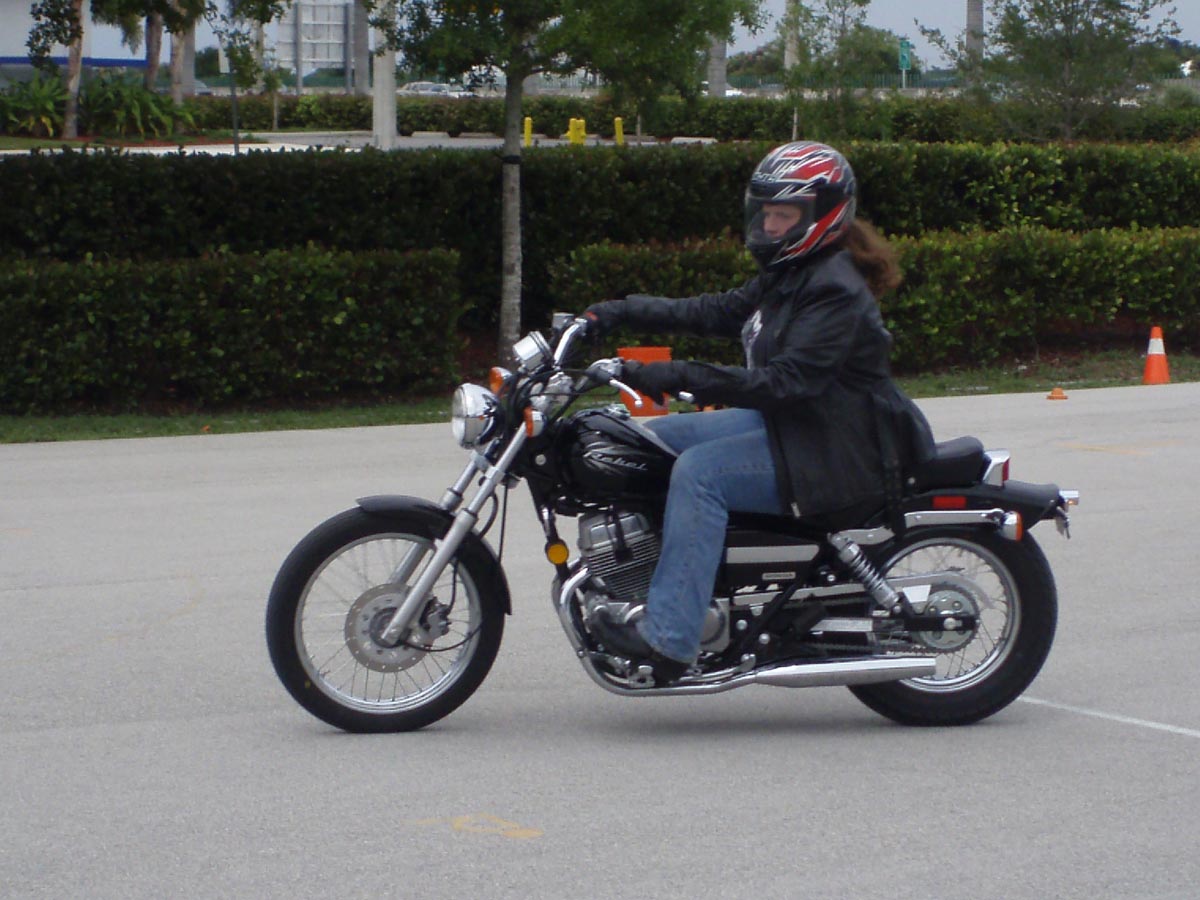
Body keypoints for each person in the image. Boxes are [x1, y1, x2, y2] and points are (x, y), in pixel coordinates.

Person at [581, 141, 935, 686]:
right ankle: (675, 580)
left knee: (699, 474)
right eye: (766, 212)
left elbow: (785, 383)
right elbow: (716, 310)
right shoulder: (796, 273)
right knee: (659, 440)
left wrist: (673, 374)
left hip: (839, 447)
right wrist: (616, 312)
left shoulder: (834, 289)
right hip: (805, 428)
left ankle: (670, 638)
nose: (769, 225)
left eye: (783, 215)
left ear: (822, 216)